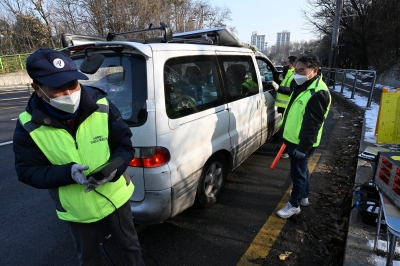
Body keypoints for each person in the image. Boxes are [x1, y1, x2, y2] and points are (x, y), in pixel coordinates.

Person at [13, 48, 145, 265]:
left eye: (73, 84)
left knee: (131, 248)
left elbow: (125, 146)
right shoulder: (28, 125)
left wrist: (113, 170)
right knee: (89, 259)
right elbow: (27, 171)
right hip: (77, 209)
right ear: (37, 89)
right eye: (57, 88)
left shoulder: (102, 105)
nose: (68, 93)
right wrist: (68, 173)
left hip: (115, 198)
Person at [276, 54, 331, 219]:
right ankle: (304, 196)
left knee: (297, 174)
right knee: (302, 170)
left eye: (302, 70)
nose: (297, 74)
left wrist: (303, 148)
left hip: (301, 143)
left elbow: (312, 125)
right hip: (294, 139)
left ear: (314, 70)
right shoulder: (305, 85)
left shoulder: (318, 92)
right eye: (296, 70)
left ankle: (294, 205)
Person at [272, 56, 297, 158]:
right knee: (284, 128)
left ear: (292, 64)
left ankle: (286, 151)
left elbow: (293, 91)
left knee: (287, 130)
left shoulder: (295, 76)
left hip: (289, 107)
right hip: (284, 106)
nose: (284, 65)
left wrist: (278, 88)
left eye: (286, 63)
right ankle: (284, 148)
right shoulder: (288, 74)